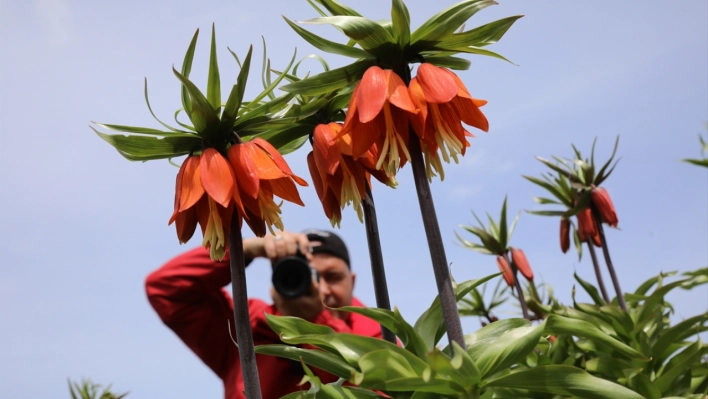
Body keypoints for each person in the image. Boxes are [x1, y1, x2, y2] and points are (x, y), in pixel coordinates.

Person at [145, 229, 382, 399]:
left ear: (352, 281)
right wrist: (244, 249)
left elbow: (374, 391)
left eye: (333, 277)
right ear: (279, 283)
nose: (321, 289)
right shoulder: (244, 326)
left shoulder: (379, 338)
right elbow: (164, 289)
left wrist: (311, 323)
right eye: (305, 277)